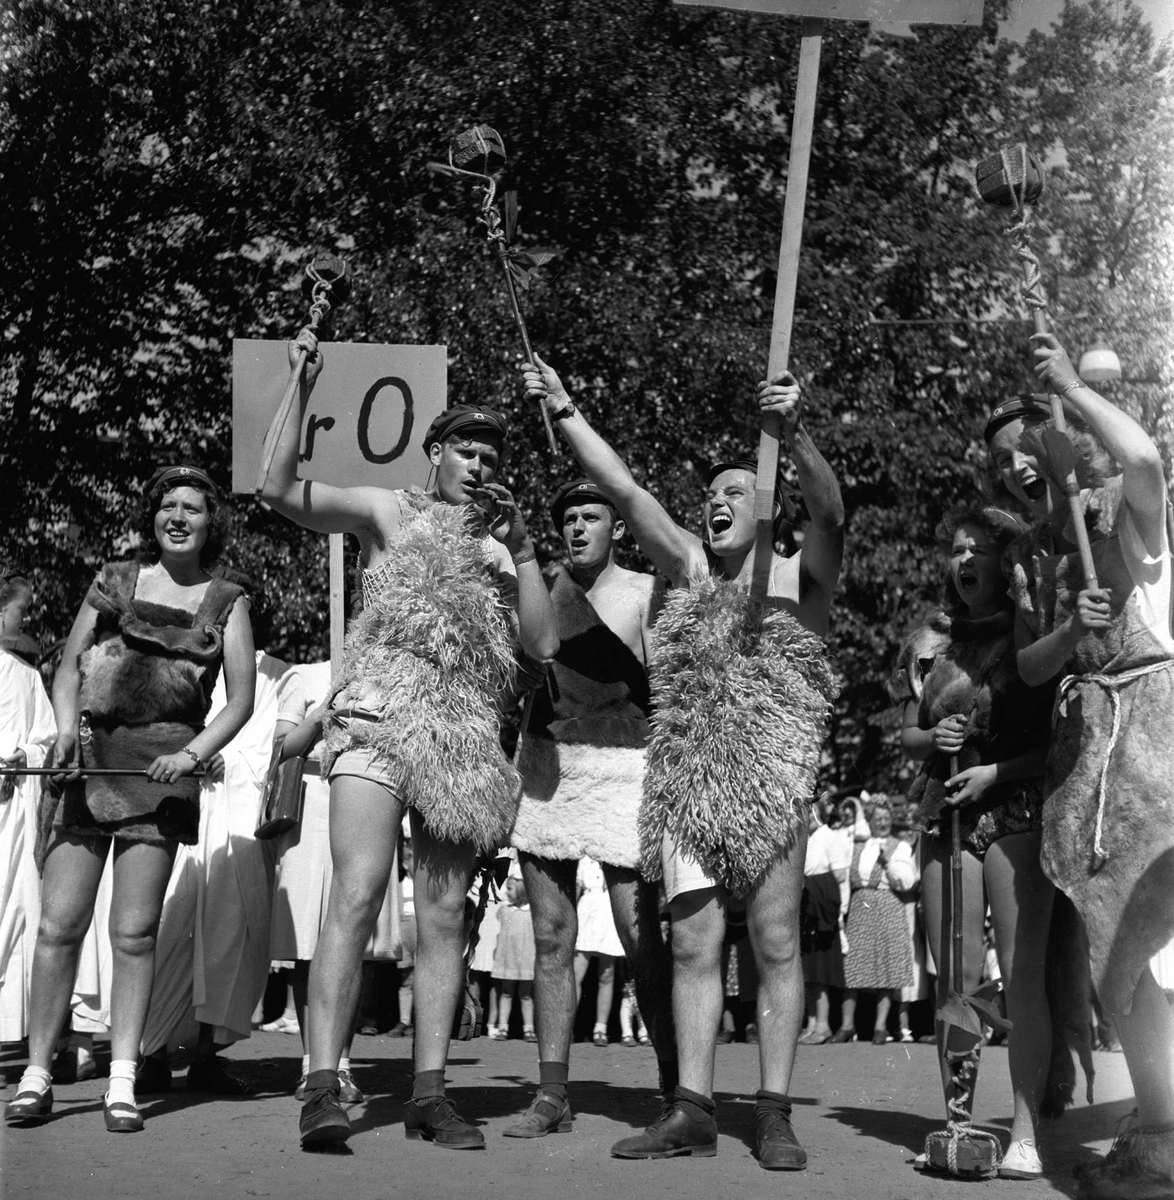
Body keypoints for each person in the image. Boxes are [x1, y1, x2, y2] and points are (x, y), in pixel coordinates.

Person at [521, 354, 843, 1170]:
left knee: (774, 943)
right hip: (691, 782)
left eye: (738, 492)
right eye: (712, 496)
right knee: (694, 945)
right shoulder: (692, 573)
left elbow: (833, 513)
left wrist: (795, 436)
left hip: (770, 781)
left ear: (767, 508)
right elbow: (625, 491)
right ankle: (693, 1107)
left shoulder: (796, 580)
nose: (716, 503)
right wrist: (564, 409)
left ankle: (773, 1111)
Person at [257, 329, 559, 1150]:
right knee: (355, 894)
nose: (481, 463)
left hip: (460, 733)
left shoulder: (502, 551)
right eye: (466, 448)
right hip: (379, 711)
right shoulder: (391, 508)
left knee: (444, 914)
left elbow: (542, 646)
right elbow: (275, 486)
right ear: (433, 453)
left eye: (492, 454)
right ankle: (322, 1083)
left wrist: (528, 553)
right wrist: (299, 383)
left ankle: (430, 1092)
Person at [7, 465, 255, 1133]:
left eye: (192, 508)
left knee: (134, 932)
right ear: (154, 516)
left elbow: (241, 701)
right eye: (167, 505)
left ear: (210, 523)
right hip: (88, 766)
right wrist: (63, 729)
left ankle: (122, 1080)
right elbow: (67, 666)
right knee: (59, 925)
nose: (177, 516)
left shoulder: (228, 599)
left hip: (162, 777)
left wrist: (193, 753)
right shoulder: (114, 580)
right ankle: (37, 1073)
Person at [993, 332, 1174, 1199]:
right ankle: (1161, 1128)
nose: (1016, 468)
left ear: (1060, 435)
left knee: (1148, 950)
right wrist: (1072, 629)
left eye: (1028, 447)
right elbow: (1031, 667)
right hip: (1084, 754)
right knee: (1116, 957)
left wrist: (1068, 379)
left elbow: (1141, 453)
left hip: (1151, 739)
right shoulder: (1033, 551)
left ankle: (1162, 1135)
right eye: (1001, 463)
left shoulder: (1127, 510)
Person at [503, 477, 674, 1138]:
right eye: (569, 518)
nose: (578, 527)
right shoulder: (542, 592)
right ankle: (552, 1095)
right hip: (546, 765)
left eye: (591, 516)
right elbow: (525, 667)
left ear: (616, 526)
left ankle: (674, 1086)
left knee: (641, 941)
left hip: (625, 769)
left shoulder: (643, 592)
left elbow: (666, 694)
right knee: (551, 935)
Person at [890, 503, 1055, 1178]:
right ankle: (957, 1119)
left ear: (1003, 561)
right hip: (946, 810)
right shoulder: (928, 636)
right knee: (953, 977)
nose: (964, 561)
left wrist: (995, 770)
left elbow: (1055, 740)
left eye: (977, 549)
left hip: (1015, 804)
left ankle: (1024, 1128)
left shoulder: (1031, 630)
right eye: (956, 549)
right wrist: (935, 739)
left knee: (1020, 978)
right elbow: (905, 733)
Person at [267, 661, 401, 1103]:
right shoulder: (305, 675)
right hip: (313, 807)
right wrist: (325, 709)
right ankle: (313, 1065)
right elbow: (283, 748)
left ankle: (341, 1066)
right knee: (310, 942)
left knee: (353, 940)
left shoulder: (392, 671)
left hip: (369, 802)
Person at [0, 576, 57, 1048]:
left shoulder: (26, 676)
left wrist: (25, 756)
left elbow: (45, 738)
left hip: (11, 815)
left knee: (16, 912)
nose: (28, 619)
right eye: (22, 610)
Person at [834, 800, 917, 1044]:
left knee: (886, 967)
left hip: (888, 904)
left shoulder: (900, 846)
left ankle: (880, 1027)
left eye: (886, 817)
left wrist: (888, 863)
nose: (882, 822)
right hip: (861, 906)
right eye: (878, 817)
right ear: (870, 820)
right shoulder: (857, 844)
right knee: (853, 966)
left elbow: (907, 881)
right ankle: (847, 1025)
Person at [797, 800, 848, 1045]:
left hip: (825, 909)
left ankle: (824, 1025)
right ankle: (811, 1023)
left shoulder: (829, 837)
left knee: (822, 972)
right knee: (808, 971)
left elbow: (840, 876)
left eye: (810, 813)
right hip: (808, 908)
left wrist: (838, 914)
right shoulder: (802, 840)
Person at [572, 855, 625, 1048]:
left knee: (607, 975)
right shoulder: (584, 860)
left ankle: (600, 1028)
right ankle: (568, 1026)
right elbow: (577, 889)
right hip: (586, 913)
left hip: (609, 913)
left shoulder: (614, 857)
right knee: (577, 973)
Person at [491, 855, 536, 1041]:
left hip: (525, 957)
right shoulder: (505, 909)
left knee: (526, 994)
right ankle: (502, 1027)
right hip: (508, 956)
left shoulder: (532, 912)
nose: (506, 892)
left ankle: (528, 1028)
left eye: (509, 889)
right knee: (506, 992)